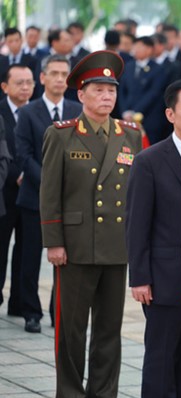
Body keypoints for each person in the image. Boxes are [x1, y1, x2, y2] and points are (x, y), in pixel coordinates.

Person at [39, 50, 142, 398]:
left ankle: (102, 391)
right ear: (80, 95)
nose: (106, 97)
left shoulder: (130, 135)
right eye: (98, 90)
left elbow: (136, 194)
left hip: (116, 245)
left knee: (109, 326)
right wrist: (53, 242)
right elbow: (49, 192)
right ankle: (71, 391)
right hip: (76, 245)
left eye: (111, 90)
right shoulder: (62, 135)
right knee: (71, 326)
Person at [126, 78, 181, 398]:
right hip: (163, 278)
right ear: (170, 114)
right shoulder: (150, 160)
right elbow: (137, 223)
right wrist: (139, 277)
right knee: (160, 356)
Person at [14, 55, 81, 333]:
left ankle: (59, 311)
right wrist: (49, 182)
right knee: (29, 258)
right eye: (53, 73)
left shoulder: (78, 110)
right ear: (42, 78)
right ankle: (31, 311)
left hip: (70, 200)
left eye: (63, 74)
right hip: (34, 197)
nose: (58, 79)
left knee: (64, 261)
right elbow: (23, 154)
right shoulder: (29, 112)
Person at [0, 64, 35, 318]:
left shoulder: (37, 113)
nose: (25, 87)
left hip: (33, 192)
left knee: (27, 251)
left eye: (29, 82)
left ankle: (20, 303)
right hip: (5, 192)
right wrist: (17, 176)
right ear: (5, 87)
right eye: (19, 82)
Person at [118, 36, 168, 144]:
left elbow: (153, 94)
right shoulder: (128, 66)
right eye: (135, 46)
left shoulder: (158, 69)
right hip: (126, 118)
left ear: (149, 49)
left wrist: (134, 112)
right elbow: (122, 91)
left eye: (139, 47)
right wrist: (125, 112)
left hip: (148, 120)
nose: (135, 50)